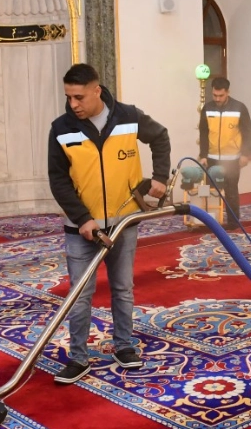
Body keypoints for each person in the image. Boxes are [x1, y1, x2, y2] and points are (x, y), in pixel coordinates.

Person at [47, 63, 171, 384]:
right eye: (69, 97)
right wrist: (82, 218)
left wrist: (160, 177)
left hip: (123, 222)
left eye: (79, 97)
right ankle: (78, 357)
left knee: (122, 288)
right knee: (80, 294)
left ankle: (124, 346)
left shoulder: (128, 117)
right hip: (81, 229)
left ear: (96, 91)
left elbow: (160, 137)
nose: (73, 104)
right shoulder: (61, 128)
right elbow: (58, 180)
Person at [199, 77, 251, 229]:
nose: (217, 99)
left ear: (228, 92)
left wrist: (245, 154)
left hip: (232, 159)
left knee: (231, 191)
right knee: (211, 191)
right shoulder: (207, 108)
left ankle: (233, 223)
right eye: (214, 95)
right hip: (212, 158)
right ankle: (212, 222)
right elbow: (203, 133)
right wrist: (203, 155)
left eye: (221, 96)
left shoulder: (239, 108)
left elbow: (248, 132)